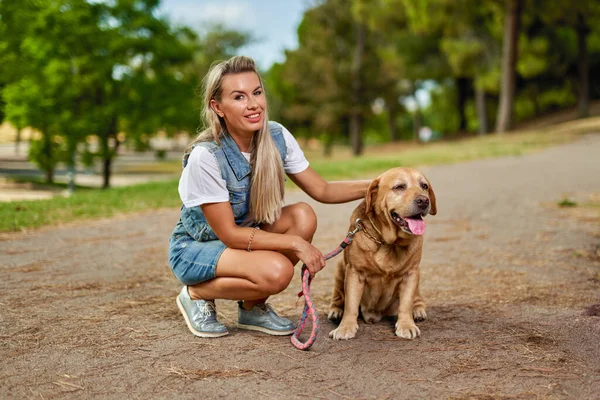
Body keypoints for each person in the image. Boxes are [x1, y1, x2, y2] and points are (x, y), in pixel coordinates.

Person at [168, 55, 370, 338]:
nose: (253, 104)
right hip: (196, 249)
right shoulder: (206, 156)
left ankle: (252, 307)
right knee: (276, 272)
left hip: (241, 240)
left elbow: (322, 190)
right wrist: (295, 244)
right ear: (218, 107)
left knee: (302, 215)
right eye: (238, 97)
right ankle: (195, 293)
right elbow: (229, 235)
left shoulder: (276, 137)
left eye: (257, 92)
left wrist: (381, 185)